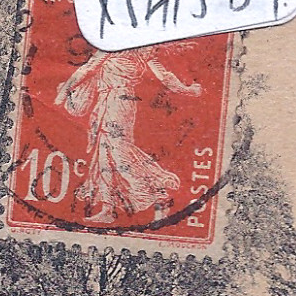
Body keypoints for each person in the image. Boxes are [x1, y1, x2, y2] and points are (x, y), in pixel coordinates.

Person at [54, 43, 203, 224]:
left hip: (117, 104)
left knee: (117, 153)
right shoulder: (137, 51)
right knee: (105, 153)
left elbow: (88, 68)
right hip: (113, 102)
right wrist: (187, 90)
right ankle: (108, 208)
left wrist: (61, 95)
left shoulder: (117, 47)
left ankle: (150, 190)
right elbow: (164, 77)